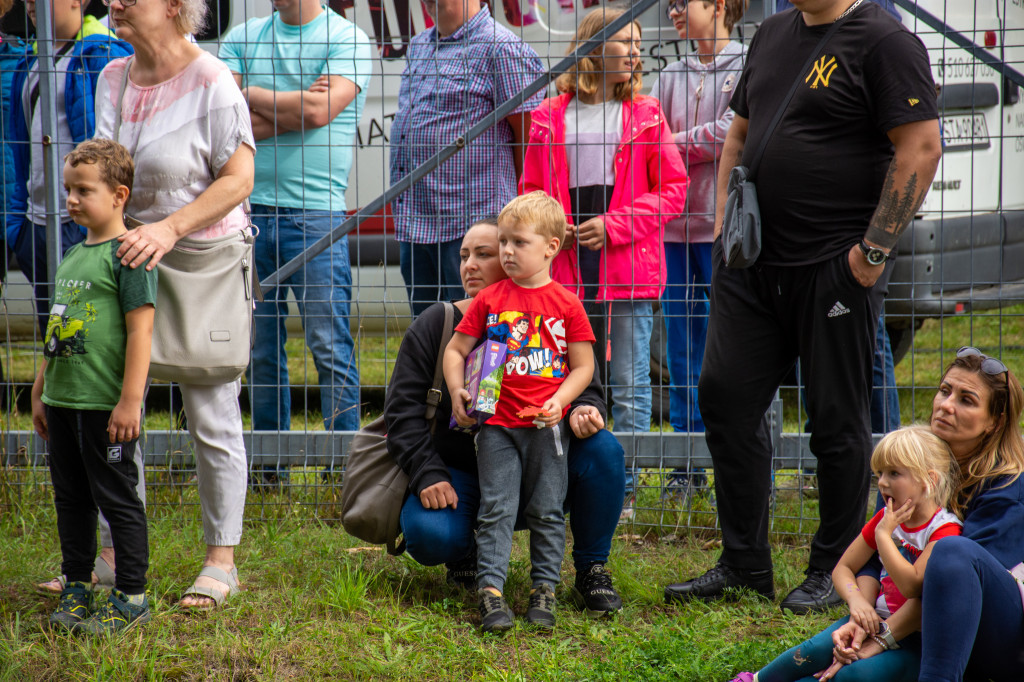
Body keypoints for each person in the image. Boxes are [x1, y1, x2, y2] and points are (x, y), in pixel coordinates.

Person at [663, 0, 941, 614]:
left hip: (834, 268)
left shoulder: (884, 41)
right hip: (752, 264)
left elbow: (920, 146)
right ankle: (744, 564)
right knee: (724, 396)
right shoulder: (771, 33)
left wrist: (871, 254)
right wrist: (720, 230)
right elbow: (739, 131)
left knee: (837, 423)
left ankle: (832, 567)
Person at [92, 0, 256, 610]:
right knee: (116, 404)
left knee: (211, 407)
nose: (115, 3)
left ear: (174, 7)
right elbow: (107, 172)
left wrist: (170, 229)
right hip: (126, 254)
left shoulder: (212, 79)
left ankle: (221, 560)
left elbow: (239, 178)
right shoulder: (113, 76)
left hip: (202, 258)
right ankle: (115, 552)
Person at [385, 218, 626, 623]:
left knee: (604, 451)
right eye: (464, 256)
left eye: (485, 253)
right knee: (430, 535)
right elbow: (400, 413)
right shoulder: (437, 324)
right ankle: (466, 552)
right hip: (460, 473)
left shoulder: (558, 310)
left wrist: (586, 410)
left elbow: (584, 381)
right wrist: (427, 473)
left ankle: (590, 569)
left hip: (537, 458)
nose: (469, 265)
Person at [520, 7, 688, 516]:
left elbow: (674, 191)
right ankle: (566, 481)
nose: (636, 50)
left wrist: (613, 226)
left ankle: (625, 490)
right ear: (594, 48)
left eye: (639, 42)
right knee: (562, 381)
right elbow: (529, 190)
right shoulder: (548, 116)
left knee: (632, 388)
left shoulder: (646, 114)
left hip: (628, 269)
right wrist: (553, 232)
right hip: (564, 273)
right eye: (625, 41)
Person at [219, 0, 373, 479]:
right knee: (259, 350)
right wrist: (299, 107)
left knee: (329, 345)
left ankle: (343, 468)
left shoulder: (347, 38)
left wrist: (256, 96)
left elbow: (320, 109)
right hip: (246, 211)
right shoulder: (241, 38)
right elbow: (226, 119)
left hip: (316, 214)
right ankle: (270, 468)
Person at [443, 192, 595, 632]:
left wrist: (560, 402)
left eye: (519, 243)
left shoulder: (568, 304)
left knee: (548, 510)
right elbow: (457, 350)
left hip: (545, 429)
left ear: (551, 246)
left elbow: (584, 367)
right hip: (496, 428)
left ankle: (543, 589)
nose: (507, 251)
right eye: (503, 242)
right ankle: (491, 592)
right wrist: (457, 390)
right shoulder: (490, 299)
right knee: (497, 508)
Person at [827, 347, 1024, 681]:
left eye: (966, 400)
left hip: (997, 638)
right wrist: (861, 615)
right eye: (945, 391)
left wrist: (883, 635)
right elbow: (875, 559)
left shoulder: (1008, 486)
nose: (946, 405)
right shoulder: (906, 470)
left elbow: (952, 586)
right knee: (830, 665)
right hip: (910, 622)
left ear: (996, 421)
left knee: (952, 552)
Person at [30, 139, 156, 634]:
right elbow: (58, 328)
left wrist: (130, 401)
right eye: (68, 189)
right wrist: (42, 388)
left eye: (84, 190)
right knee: (71, 498)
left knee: (117, 497)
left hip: (104, 406)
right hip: (63, 402)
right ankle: (78, 585)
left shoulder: (129, 257)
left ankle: (131, 595)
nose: (72, 199)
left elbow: (141, 331)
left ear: (119, 195)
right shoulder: (74, 254)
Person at [731, 426, 961, 682]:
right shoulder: (885, 519)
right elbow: (843, 568)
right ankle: (754, 679)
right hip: (871, 621)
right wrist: (858, 604)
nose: (882, 482)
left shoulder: (944, 531)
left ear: (929, 480)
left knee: (853, 675)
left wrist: (884, 536)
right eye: (880, 473)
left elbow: (912, 586)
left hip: (915, 639)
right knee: (812, 651)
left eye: (894, 473)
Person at [649, 0, 747, 504]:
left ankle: (738, 460)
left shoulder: (749, 62)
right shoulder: (669, 74)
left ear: (720, 5)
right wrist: (682, 143)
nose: (673, 13)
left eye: (682, 2)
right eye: (667, 6)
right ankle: (687, 466)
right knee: (682, 345)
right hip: (672, 229)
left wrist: (674, 142)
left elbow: (735, 135)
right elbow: (649, 138)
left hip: (723, 228)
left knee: (731, 345)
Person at [389, 0, 544, 316]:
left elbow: (529, 140)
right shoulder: (419, 45)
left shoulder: (501, 47)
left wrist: (516, 219)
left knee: (479, 337)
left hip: (472, 223)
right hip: (417, 221)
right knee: (430, 337)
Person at [7, 0, 132, 335]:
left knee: (92, 338)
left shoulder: (104, 54)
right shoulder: (30, 60)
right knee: (55, 339)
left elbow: (116, 147)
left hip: (80, 223)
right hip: (37, 222)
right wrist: (19, 226)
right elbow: (19, 149)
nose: (31, 4)